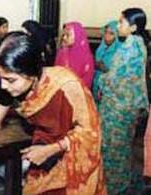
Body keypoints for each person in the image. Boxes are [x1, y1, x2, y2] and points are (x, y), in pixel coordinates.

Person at [0, 32, 106, 195]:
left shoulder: (67, 84)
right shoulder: (9, 88)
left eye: (10, 80)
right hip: (41, 152)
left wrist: (53, 149)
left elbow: (91, 131)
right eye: (1, 79)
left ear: (32, 73)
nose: (4, 86)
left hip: (73, 156)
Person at [98, 8, 149, 195]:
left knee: (113, 149)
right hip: (128, 106)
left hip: (119, 108)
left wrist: (101, 80)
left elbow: (112, 79)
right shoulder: (139, 43)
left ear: (133, 27)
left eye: (121, 23)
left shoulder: (128, 48)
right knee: (123, 147)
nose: (118, 25)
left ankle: (113, 187)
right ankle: (123, 182)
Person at [55, 22, 95, 88]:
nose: (64, 38)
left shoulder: (87, 57)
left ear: (77, 36)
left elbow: (87, 81)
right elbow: (56, 73)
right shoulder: (62, 53)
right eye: (64, 35)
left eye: (67, 35)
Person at [92, 21, 120, 103]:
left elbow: (120, 73)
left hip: (110, 89)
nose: (107, 36)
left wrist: (105, 69)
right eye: (106, 32)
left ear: (117, 35)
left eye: (111, 33)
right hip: (96, 84)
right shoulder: (101, 47)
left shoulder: (119, 51)